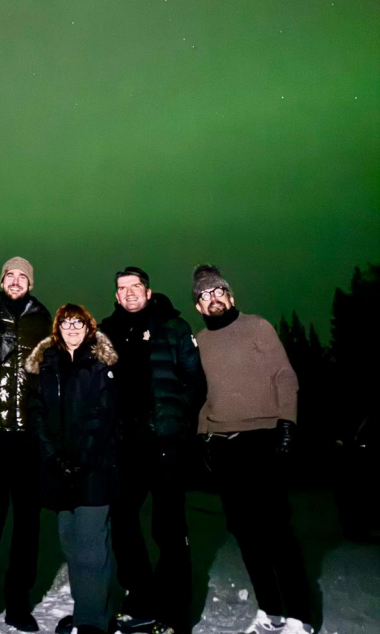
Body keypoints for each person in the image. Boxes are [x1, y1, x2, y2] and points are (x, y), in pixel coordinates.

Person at [192, 264, 313, 634]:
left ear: (231, 296)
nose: (212, 299)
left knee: (276, 530)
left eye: (218, 292)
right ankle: (270, 611)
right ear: (197, 306)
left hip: (263, 439)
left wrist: (287, 424)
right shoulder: (202, 340)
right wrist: (203, 436)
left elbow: (284, 374)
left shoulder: (257, 326)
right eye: (204, 295)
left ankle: (300, 616)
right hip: (224, 447)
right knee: (245, 532)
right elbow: (204, 393)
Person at [100, 267, 206, 634]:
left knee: (170, 529)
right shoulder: (107, 331)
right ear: (116, 296)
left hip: (164, 444)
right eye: (121, 288)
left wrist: (176, 424)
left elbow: (195, 381)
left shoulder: (173, 327)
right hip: (125, 447)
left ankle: (175, 614)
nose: (128, 293)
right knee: (121, 522)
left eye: (135, 287)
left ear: (148, 291)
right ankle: (142, 598)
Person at [26, 303, 119, 634]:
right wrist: (54, 458)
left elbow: (102, 416)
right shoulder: (45, 364)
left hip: (94, 469)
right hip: (58, 471)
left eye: (79, 323)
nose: (73, 328)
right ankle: (93, 612)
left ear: (89, 326)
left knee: (92, 548)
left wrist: (81, 460)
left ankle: (90, 623)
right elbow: (35, 414)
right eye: (66, 323)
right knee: (72, 545)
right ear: (57, 327)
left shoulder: (100, 364)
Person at [0, 256, 52, 633]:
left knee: (26, 528)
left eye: (23, 276)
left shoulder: (45, 319)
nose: (16, 281)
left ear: (31, 283)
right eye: (10, 275)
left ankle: (19, 605)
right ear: (2, 281)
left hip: (29, 439)